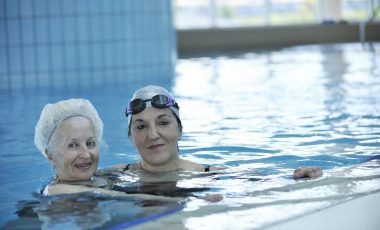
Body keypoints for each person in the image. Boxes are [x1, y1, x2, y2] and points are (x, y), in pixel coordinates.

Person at [113, 85, 323, 179]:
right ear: (131, 137)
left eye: (163, 122)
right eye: (141, 126)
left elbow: (270, 182)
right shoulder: (114, 176)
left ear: (180, 130)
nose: (152, 135)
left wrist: (297, 177)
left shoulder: (211, 175)